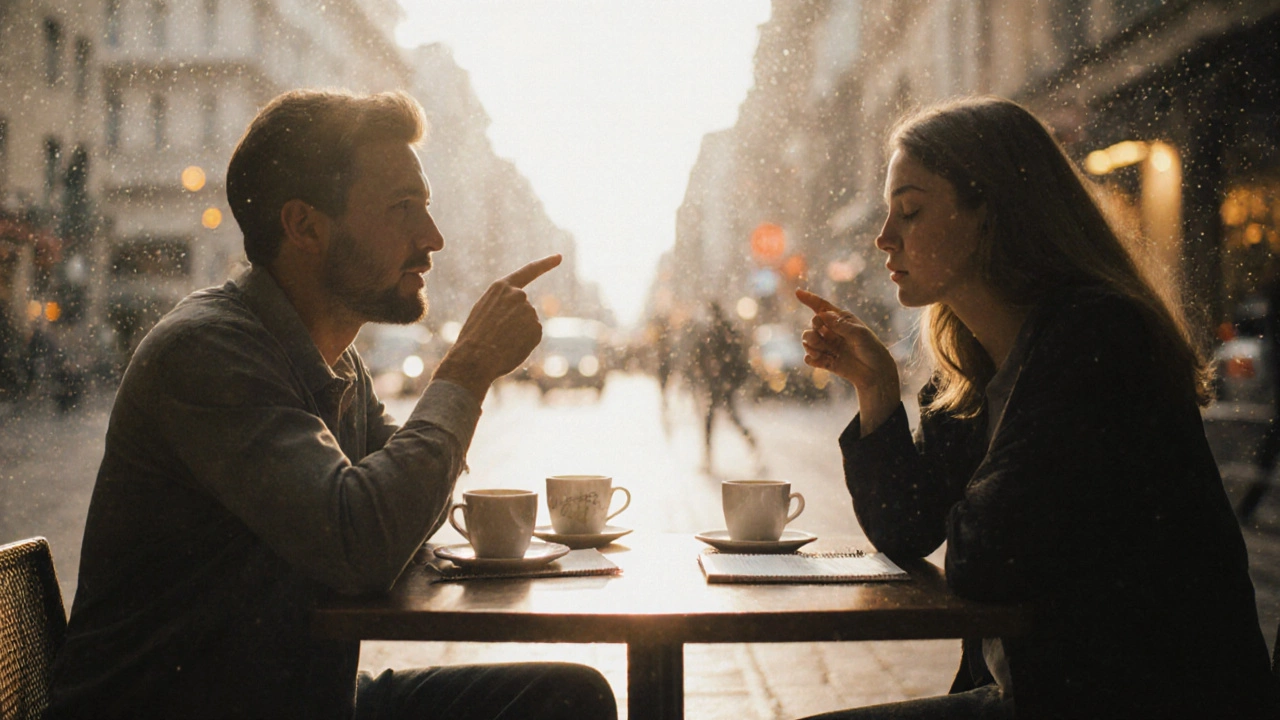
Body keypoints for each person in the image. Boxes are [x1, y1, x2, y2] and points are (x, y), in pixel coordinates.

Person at [46, 90, 616, 720]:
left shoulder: (334, 360)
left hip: (291, 698)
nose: (433, 238)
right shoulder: (206, 351)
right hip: (178, 706)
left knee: (568, 695)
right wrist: (469, 366)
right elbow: (363, 542)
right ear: (305, 226)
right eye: (404, 209)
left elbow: (403, 502)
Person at [795, 96, 1280, 719]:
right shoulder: (981, 361)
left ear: (991, 213)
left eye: (910, 211)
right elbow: (907, 526)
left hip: (1137, 697)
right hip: (1045, 689)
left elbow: (988, 560)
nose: (885, 238)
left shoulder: (1097, 338)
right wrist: (876, 389)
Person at [693, 301, 758, 473]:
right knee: (728, 418)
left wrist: (711, 371)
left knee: (713, 420)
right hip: (723, 382)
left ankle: (709, 458)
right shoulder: (726, 330)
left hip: (719, 383)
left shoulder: (715, 332)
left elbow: (702, 355)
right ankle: (751, 445)